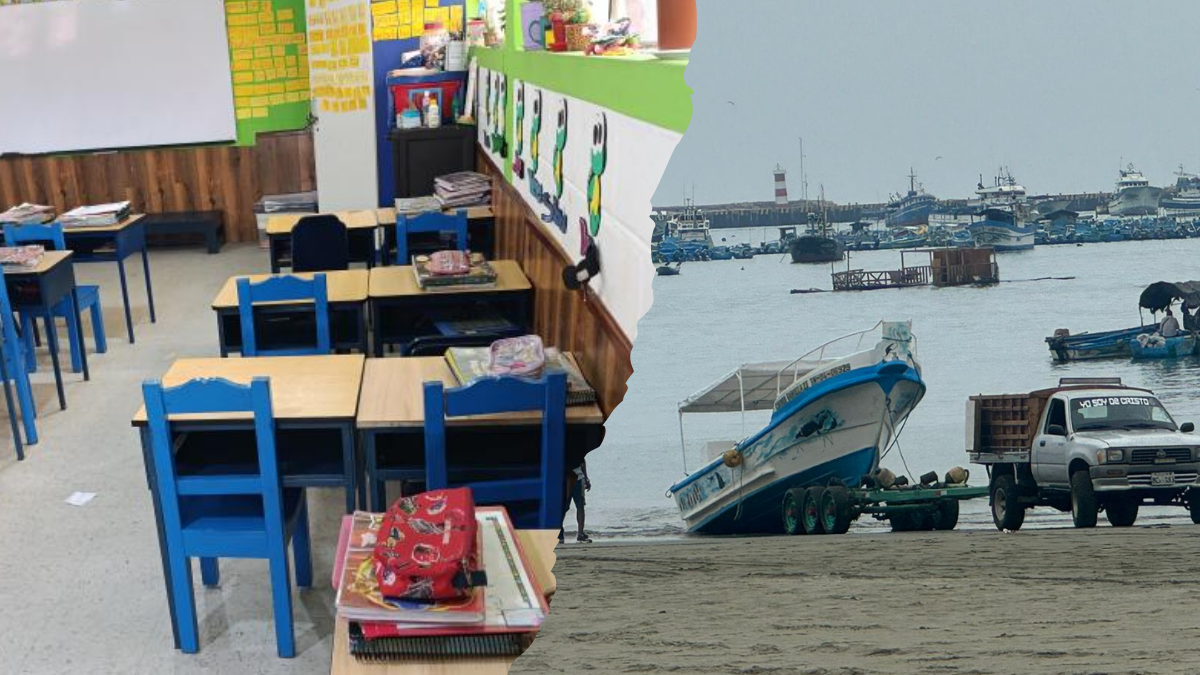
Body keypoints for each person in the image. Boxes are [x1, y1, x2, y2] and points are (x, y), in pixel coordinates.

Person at [559, 461, 591, 544]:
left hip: (575, 479)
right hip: (571, 479)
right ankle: (578, 533)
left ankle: (579, 534)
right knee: (576, 507)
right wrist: (586, 478)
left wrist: (586, 478)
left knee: (577, 506)